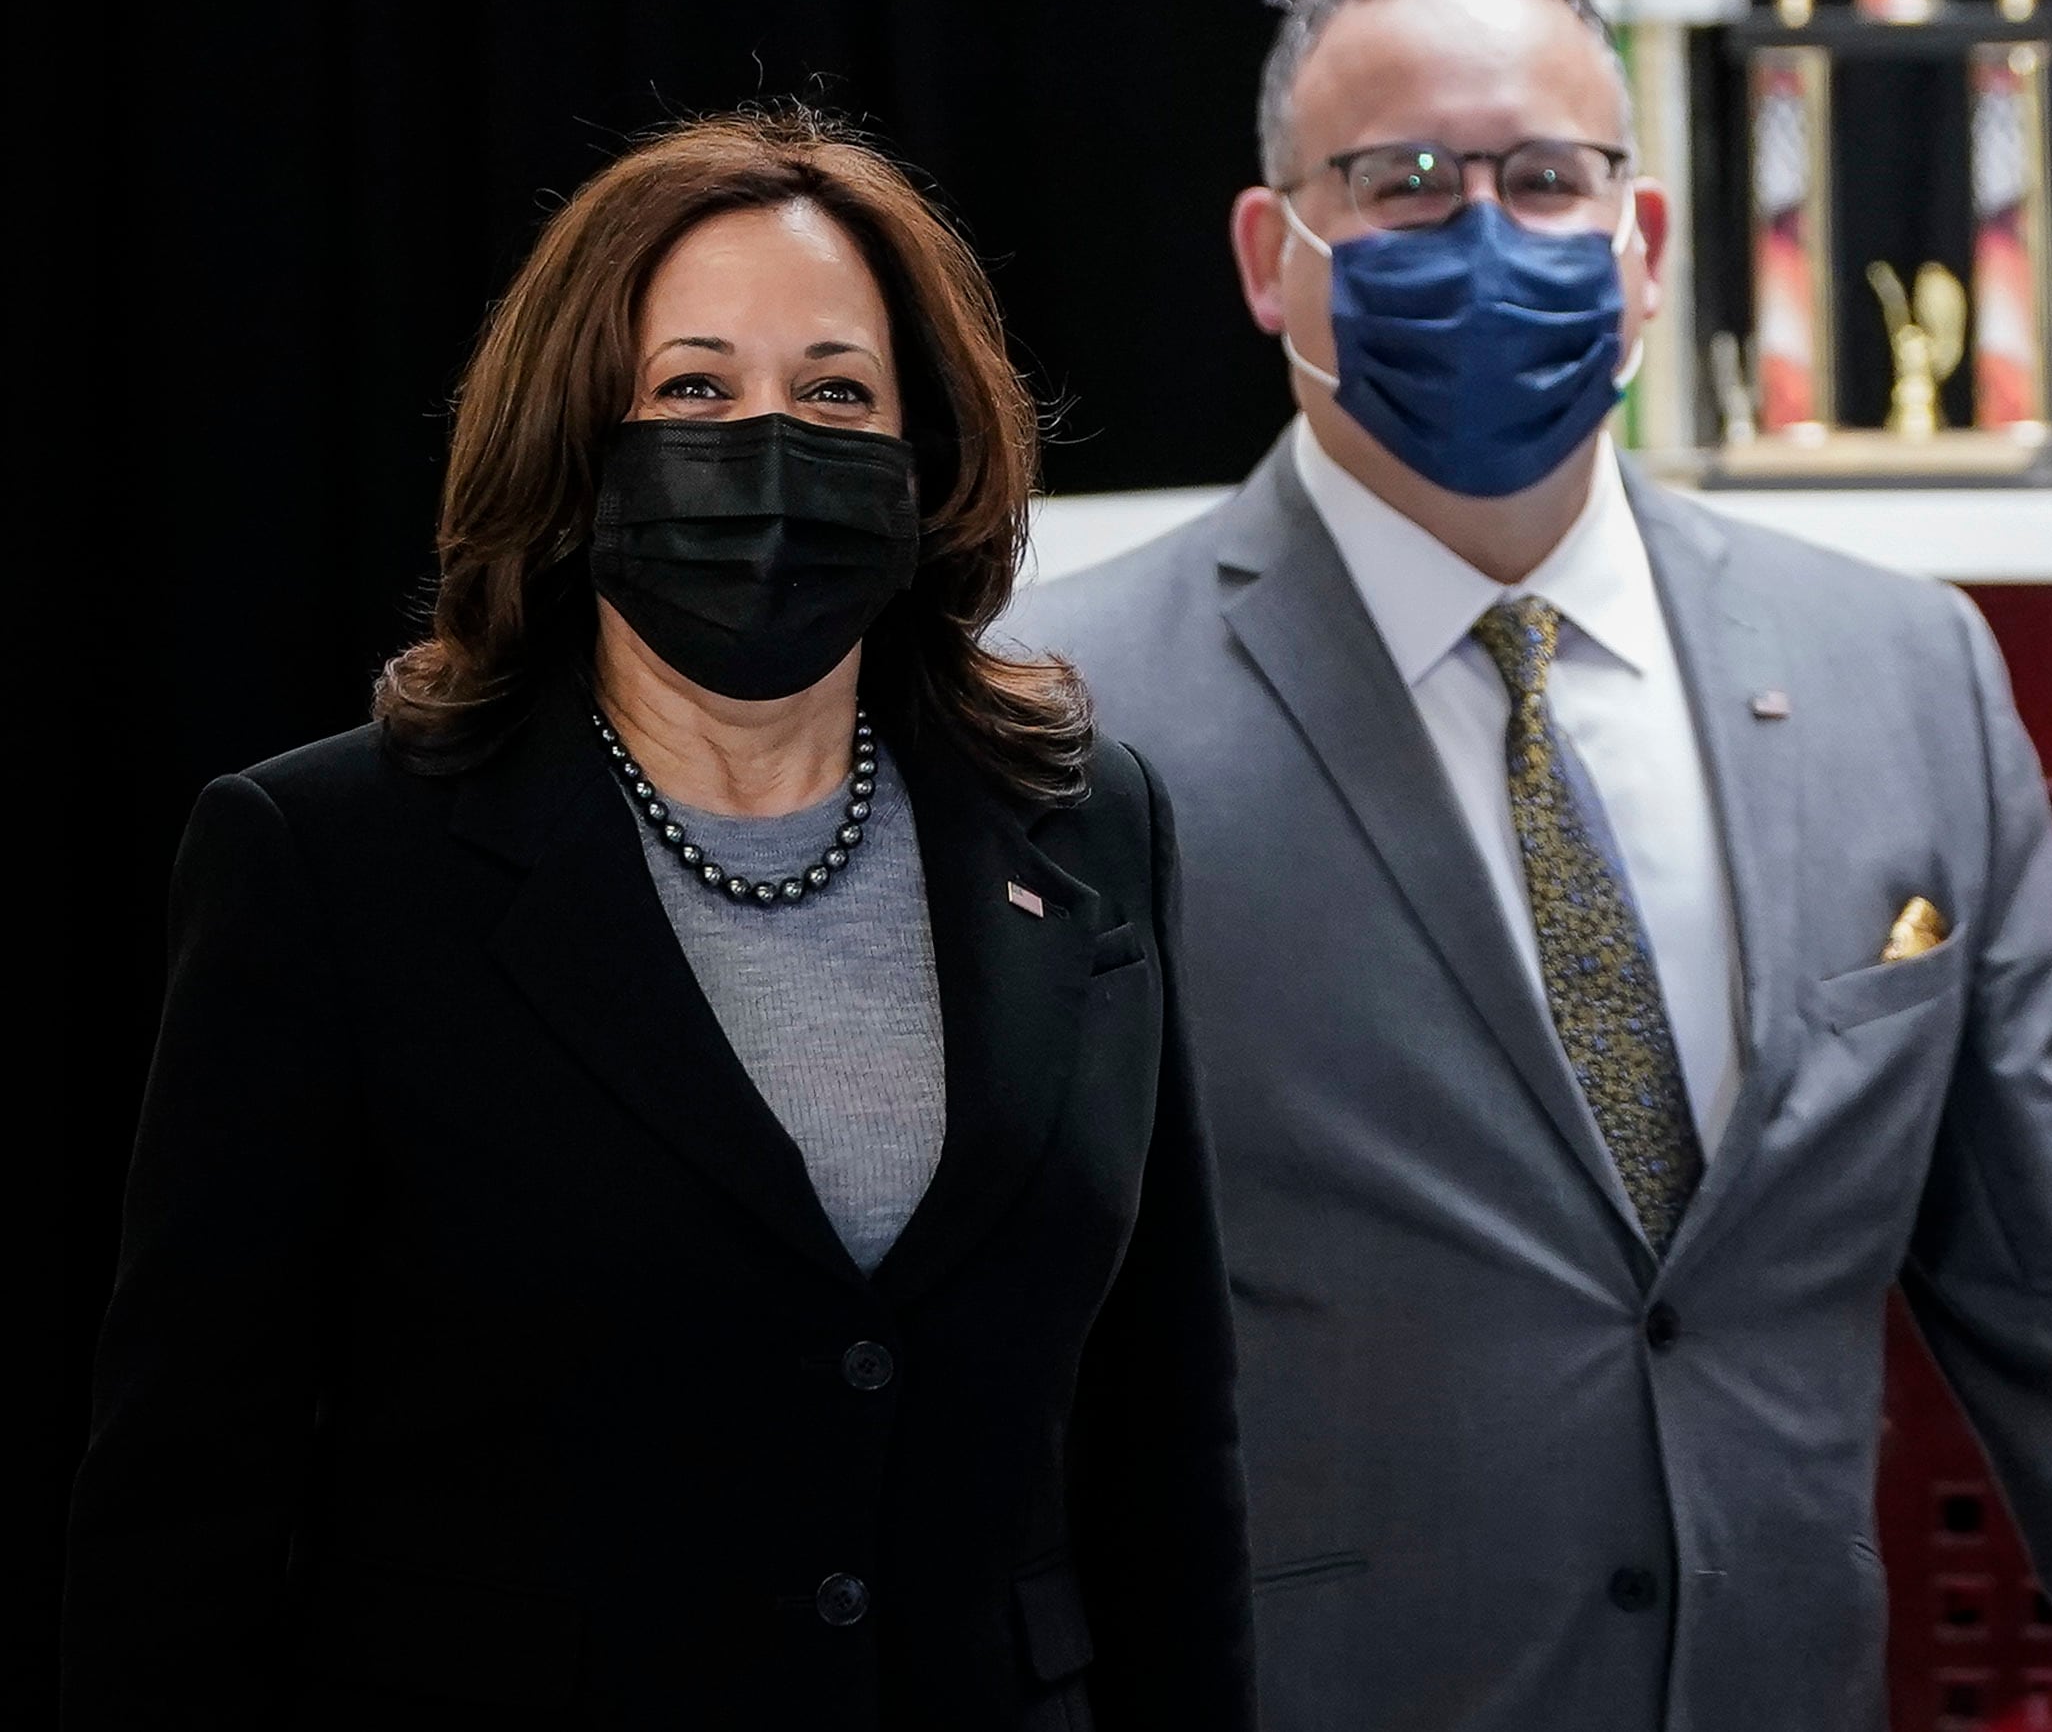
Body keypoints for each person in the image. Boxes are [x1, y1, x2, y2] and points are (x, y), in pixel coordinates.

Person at [1022, 0, 2052, 1732]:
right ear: (1273, 253)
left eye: (1547, 179)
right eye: (1401, 183)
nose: (1485, 236)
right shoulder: (1062, 707)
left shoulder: (1903, 669)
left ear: (1642, 247)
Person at [65, 113, 1250, 1731]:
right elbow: (187, 1498)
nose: (767, 444)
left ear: (931, 454)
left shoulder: (1087, 825)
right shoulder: (329, 858)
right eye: (694, 388)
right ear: (579, 437)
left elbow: (1163, 1437)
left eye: (836, 393)